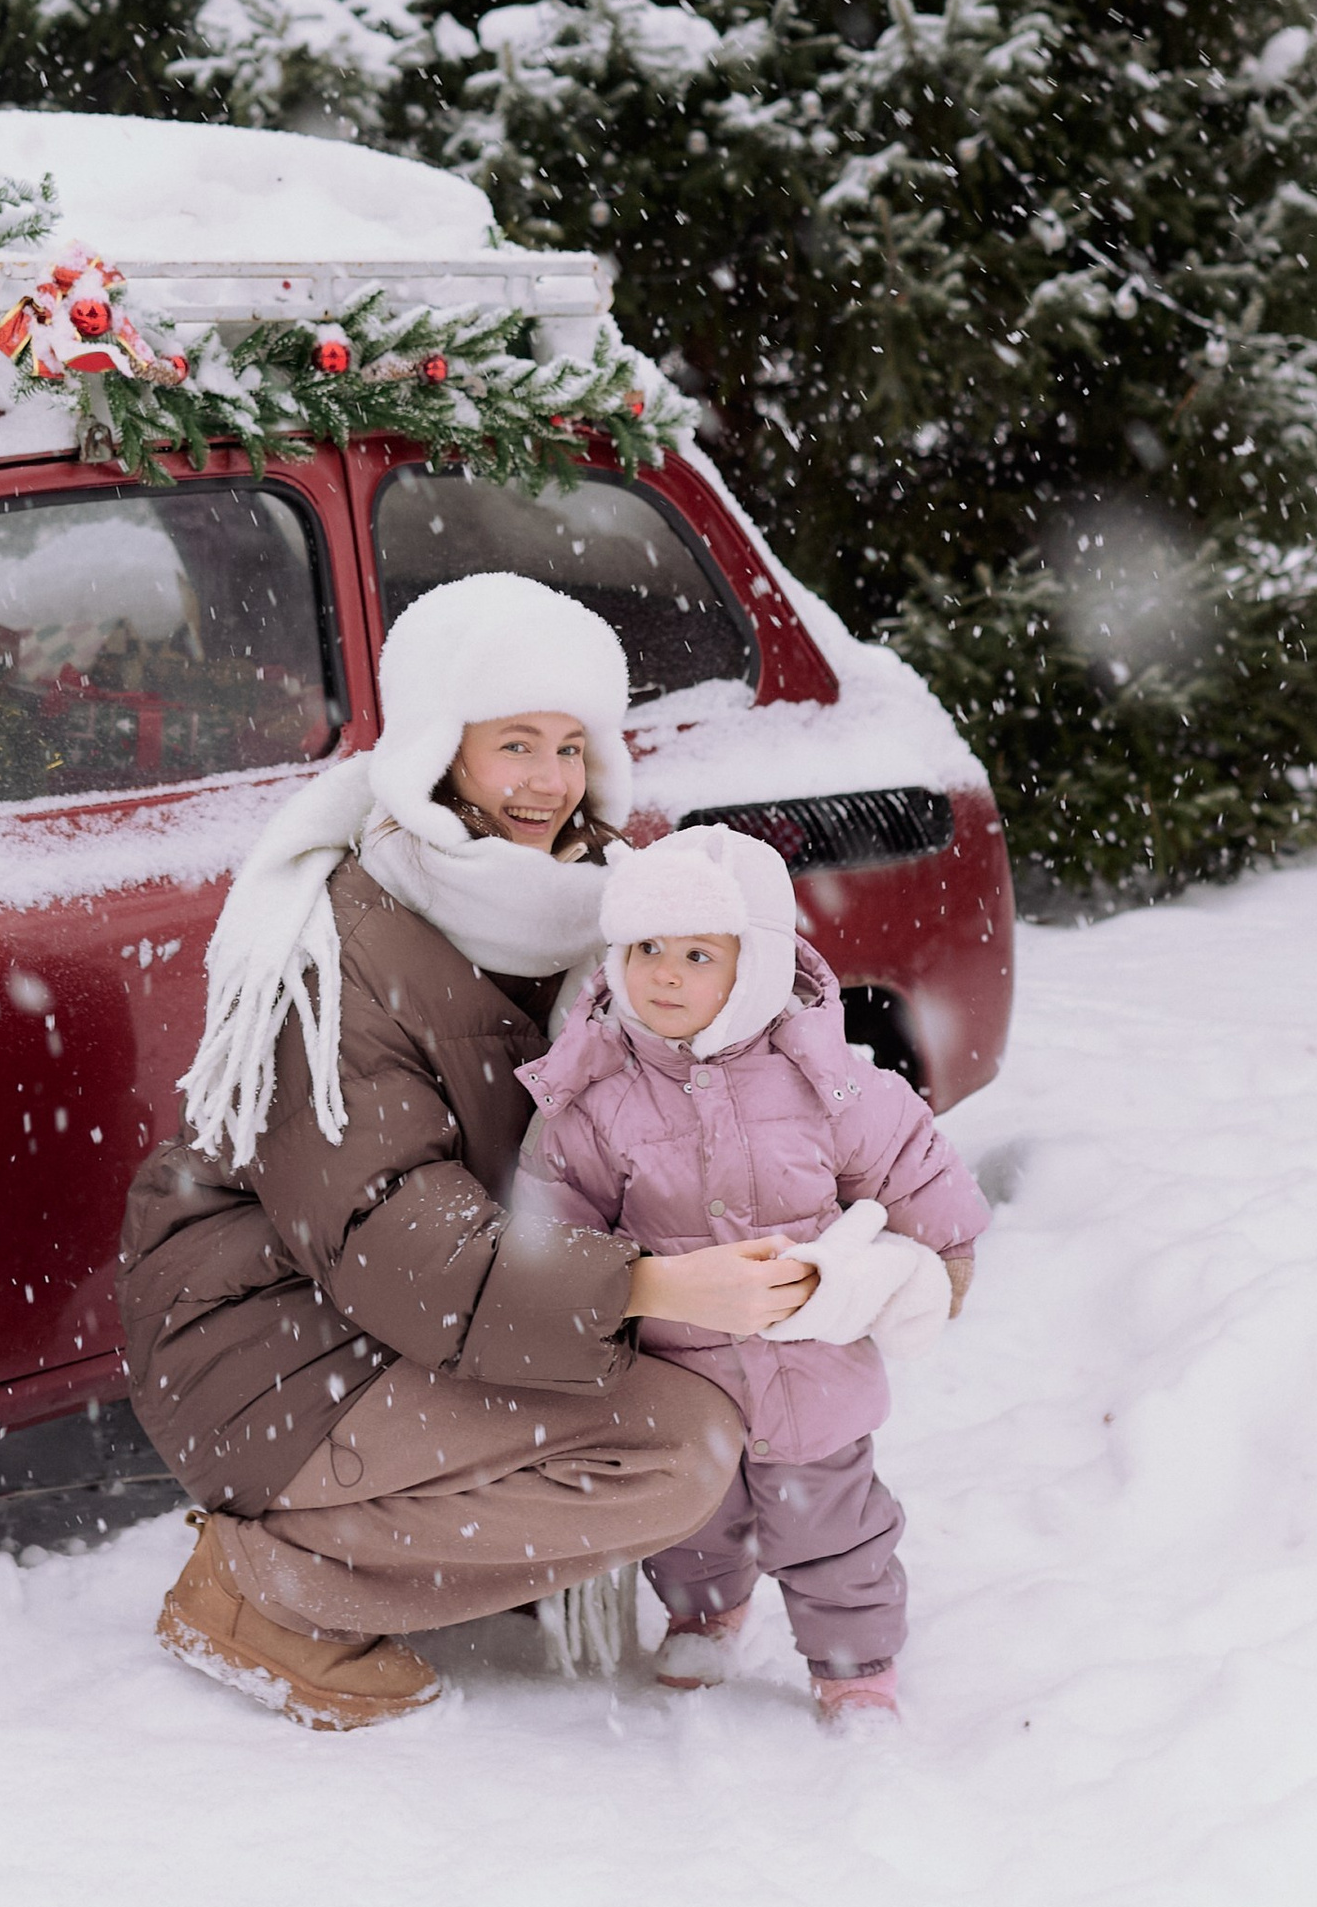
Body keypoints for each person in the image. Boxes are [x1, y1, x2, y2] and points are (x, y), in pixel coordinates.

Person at [118, 571, 808, 1730]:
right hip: (268, 1333)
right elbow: (389, 1232)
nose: (548, 781)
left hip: (407, 1306)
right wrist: (644, 1283)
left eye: (572, 746)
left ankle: (404, 1542)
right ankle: (266, 1590)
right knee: (676, 1445)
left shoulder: (589, 909)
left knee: (691, 1385)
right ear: (443, 750)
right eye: (515, 744)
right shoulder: (336, 941)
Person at [517, 821, 989, 1718]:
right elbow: (556, 1211)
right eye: (647, 948)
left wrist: (949, 1248)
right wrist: (576, 1307)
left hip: (814, 1367)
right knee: (690, 1519)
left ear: (759, 965)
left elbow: (908, 1156)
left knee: (833, 1529)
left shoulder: (820, 1078)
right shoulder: (600, 1097)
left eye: (699, 954)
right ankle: (704, 1612)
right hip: (678, 1373)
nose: (664, 974)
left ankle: (854, 1666)